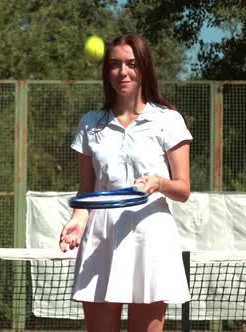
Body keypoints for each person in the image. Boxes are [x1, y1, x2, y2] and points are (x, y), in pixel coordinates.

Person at [59, 34, 193, 332]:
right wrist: (77, 221)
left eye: (132, 64)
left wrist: (158, 183)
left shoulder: (168, 121)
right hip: (101, 239)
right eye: (115, 64)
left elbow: (183, 189)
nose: (123, 72)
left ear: (144, 68)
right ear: (107, 72)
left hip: (150, 239)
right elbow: (87, 192)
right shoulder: (90, 124)